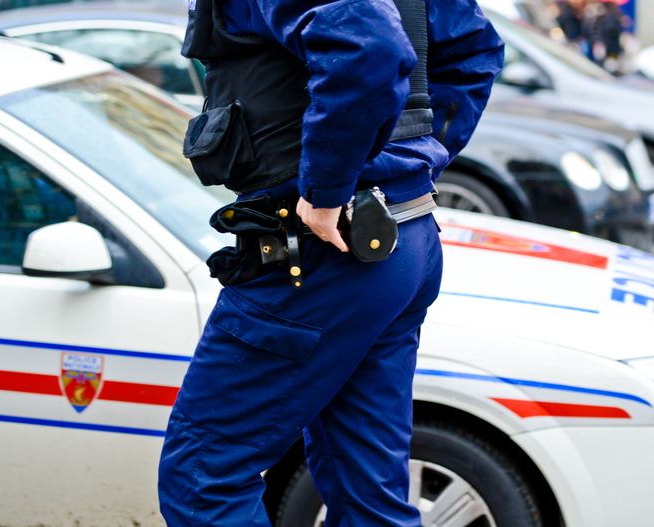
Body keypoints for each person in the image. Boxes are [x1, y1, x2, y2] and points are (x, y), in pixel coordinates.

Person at [156, 0, 504, 525]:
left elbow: (368, 43)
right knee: (367, 491)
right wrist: (411, 163)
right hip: (395, 237)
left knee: (203, 479)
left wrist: (328, 188)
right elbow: (474, 49)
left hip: (322, 255)